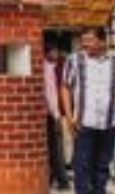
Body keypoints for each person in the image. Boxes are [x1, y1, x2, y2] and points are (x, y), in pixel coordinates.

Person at [60, 27, 115, 194]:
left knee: (102, 167)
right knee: (82, 166)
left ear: (102, 41)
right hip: (83, 123)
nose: (85, 45)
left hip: (109, 124)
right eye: (83, 40)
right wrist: (69, 116)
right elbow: (65, 87)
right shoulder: (75, 60)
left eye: (90, 40)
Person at [43, 44, 71, 190]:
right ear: (48, 52)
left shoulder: (55, 67)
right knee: (56, 148)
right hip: (52, 115)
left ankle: (56, 178)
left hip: (53, 114)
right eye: (54, 51)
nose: (57, 54)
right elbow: (50, 94)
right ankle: (62, 180)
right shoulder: (47, 68)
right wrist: (56, 114)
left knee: (55, 148)